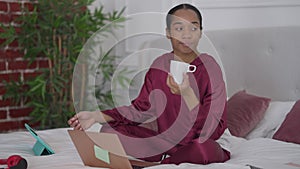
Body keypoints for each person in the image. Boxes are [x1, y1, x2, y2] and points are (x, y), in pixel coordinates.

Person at [68, 3, 230, 165]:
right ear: (168, 33)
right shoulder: (159, 64)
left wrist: (187, 94)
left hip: (198, 142)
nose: (186, 35)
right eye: (179, 28)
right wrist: (96, 116)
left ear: (200, 32)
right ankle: (166, 157)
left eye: (193, 28)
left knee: (203, 149)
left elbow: (213, 129)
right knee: (109, 131)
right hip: (164, 143)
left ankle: (163, 163)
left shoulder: (210, 68)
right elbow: (140, 110)